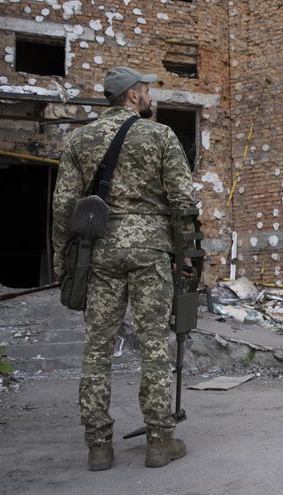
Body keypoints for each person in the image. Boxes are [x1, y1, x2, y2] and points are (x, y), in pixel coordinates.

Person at [52, 67, 196, 470]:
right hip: (151, 250)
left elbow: (63, 206)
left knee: (97, 349)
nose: (151, 95)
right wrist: (185, 252)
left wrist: (63, 262)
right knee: (153, 346)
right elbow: (183, 200)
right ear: (132, 96)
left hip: (99, 255)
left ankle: (98, 446)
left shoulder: (80, 139)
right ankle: (158, 441)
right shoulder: (160, 135)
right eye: (147, 89)